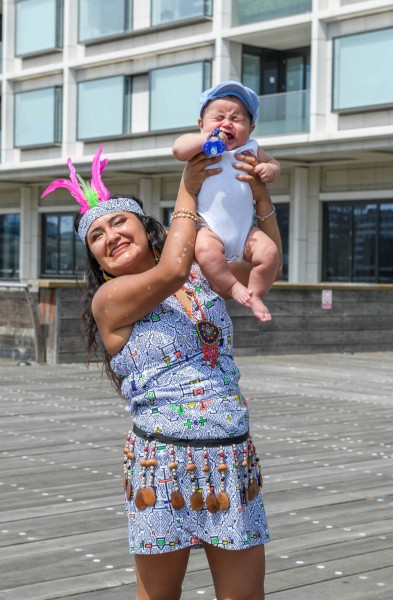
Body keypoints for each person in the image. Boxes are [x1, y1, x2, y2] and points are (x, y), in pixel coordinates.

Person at [41, 145, 282, 600]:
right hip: (163, 465)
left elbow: (262, 271)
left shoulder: (198, 273)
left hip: (231, 457)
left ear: (143, 226)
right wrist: (189, 186)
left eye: (118, 222)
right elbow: (170, 269)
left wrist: (261, 196)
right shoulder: (110, 302)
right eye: (96, 236)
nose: (110, 235)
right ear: (96, 260)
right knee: (159, 596)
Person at [173, 80, 281, 322]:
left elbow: (275, 163)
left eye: (237, 119)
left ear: (251, 129)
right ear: (201, 125)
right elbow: (178, 149)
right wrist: (205, 140)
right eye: (219, 117)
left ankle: (256, 294)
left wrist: (268, 170)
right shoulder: (202, 149)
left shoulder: (252, 149)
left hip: (245, 230)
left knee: (270, 253)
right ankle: (234, 287)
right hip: (209, 226)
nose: (227, 123)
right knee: (205, 250)